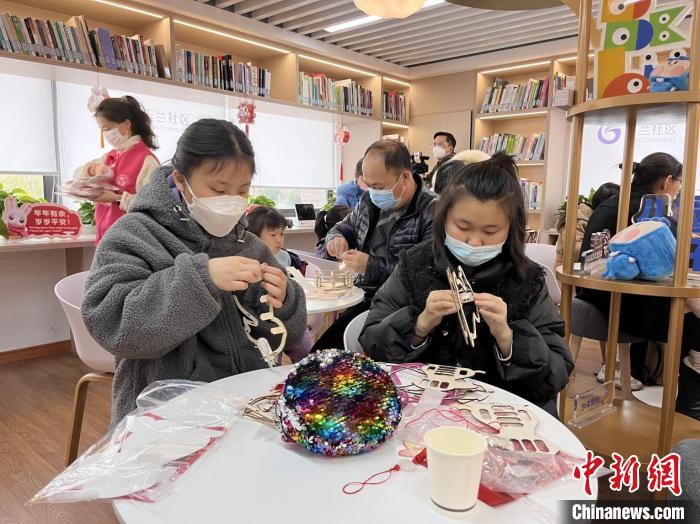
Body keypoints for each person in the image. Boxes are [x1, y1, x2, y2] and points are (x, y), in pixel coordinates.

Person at [81, 119, 307, 425]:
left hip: (248, 412)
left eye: (242, 190)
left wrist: (286, 299)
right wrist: (202, 279)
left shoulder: (250, 245)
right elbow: (114, 325)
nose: (231, 201)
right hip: (166, 418)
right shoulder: (135, 234)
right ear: (181, 180)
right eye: (218, 189)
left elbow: (287, 335)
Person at [360, 153, 572, 417]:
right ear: (444, 218)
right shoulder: (414, 265)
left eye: (491, 231)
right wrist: (419, 325)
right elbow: (372, 341)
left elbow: (557, 370)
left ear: (511, 229)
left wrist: (508, 338)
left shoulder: (527, 279)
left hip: (500, 416)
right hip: (423, 411)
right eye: (463, 227)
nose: (474, 242)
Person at [579, 152, 700, 419]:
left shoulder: (611, 203)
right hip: (621, 307)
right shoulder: (656, 213)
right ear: (667, 181)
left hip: (593, 297)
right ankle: (691, 400)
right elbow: (676, 265)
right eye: (679, 182)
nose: (679, 188)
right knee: (693, 317)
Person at [314, 140, 437, 350]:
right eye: (368, 186)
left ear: (405, 177)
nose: (372, 192)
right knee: (321, 356)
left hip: (404, 309)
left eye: (378, 187)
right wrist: (335, 238)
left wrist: (371, 266)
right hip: (364, 298)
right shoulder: (369, 201)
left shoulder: (433, 211)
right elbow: (343, 228)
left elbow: (425, 275)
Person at [74, 95, 160, 242]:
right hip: (106, 238)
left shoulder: (147, 161)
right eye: (102, 130)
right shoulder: (109, 157)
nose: (105, 135)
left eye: (107, 129)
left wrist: (116, 198)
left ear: (126, 125)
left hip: (134, 242)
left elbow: (154, 206)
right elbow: (76, 177)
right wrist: (92, 170)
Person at [554, 182, 620, 267]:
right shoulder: (578, 218)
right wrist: (605, 248)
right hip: (568, 267)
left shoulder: (601, 218)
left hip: (586, 266)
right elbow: (574, 249)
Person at [247, 205, 307, 273]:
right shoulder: (248, 260)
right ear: (255, 237)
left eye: (281, 234)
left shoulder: (285, 256)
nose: (279, 240)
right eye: (273, 235)